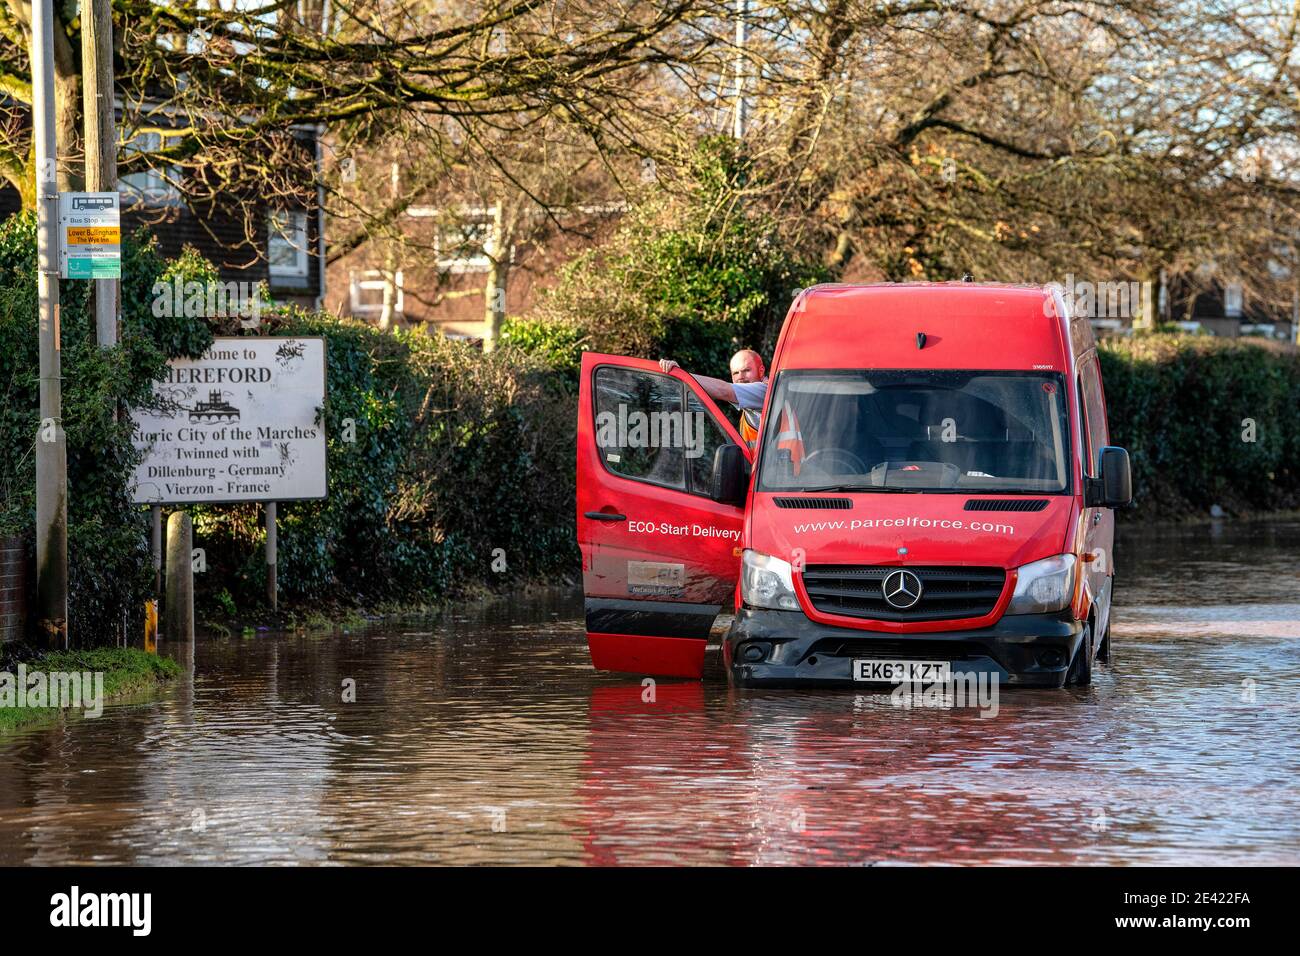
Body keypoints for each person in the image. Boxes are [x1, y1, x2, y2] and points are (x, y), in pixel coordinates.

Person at [659, 349, 768, 448]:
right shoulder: (751, 402)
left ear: (761, 370)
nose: (740, 377)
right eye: (736, 373)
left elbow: (723, 390)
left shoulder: (764, 391)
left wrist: (681, 375)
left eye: (746, 370)